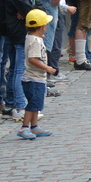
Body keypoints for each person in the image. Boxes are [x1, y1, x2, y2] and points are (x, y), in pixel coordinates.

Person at [18, 9, 56, 140]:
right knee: (33, 104)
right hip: (34, 78)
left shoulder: (31, 37)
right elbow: (32, 59)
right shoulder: (35, 41)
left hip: (36, 78)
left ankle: (34, 127)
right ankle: (24, 128)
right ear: (42, 27)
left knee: (37, 104)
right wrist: (47, 68)